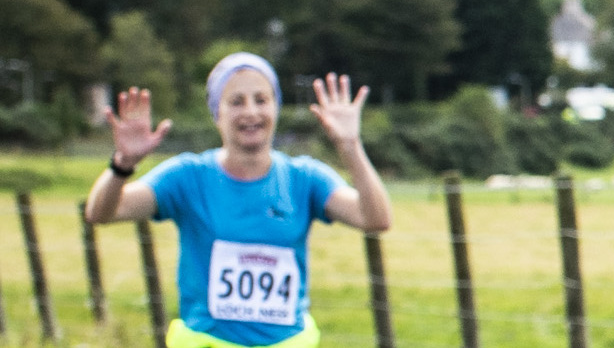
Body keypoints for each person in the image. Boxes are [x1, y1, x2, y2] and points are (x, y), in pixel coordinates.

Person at [87, 53, 392, 348]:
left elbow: (375, 218)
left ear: (275, 108)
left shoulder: (304, 178)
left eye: (261, 100)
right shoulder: (187, 176)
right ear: (216, 113)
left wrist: (350, 146)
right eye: (236, 102)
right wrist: (123, 163)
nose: (251, 112)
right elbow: (102, 212)